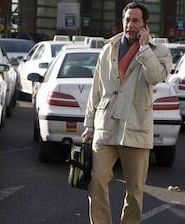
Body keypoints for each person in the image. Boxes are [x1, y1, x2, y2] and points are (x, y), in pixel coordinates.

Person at [81, 2, 172, 224]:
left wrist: (143, 49)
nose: (129, 24)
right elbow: (97, 89)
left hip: (136, 128)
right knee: (97, 181)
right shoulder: (108, 48)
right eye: (127, 19)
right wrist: (89, 125)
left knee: (135, 190)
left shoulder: (159, 51)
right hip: (106, 126)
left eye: (135, 20)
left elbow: (156, 77)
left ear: (144, 25)